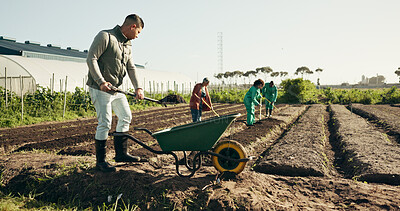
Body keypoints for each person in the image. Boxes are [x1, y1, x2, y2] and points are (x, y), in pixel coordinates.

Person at [86, 14, 145, 172]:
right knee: (105, 122)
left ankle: (121, 154)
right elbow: (91, 58)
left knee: (126, 116)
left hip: (116, 89)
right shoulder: (106, 36)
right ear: (132, 27)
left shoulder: (128, 44)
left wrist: (138, 87)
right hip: (100, 88)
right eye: (138, 32)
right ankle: (101, 162)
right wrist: (100, 82)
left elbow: (131, 67)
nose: (138, 36)